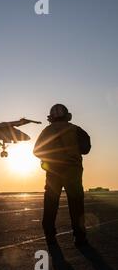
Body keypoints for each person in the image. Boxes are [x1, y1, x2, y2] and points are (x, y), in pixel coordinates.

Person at [33, 104, 91, 247]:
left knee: (51, 204)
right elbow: (86, 149)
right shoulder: (76, 130)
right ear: (67, 116)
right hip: (73, 172)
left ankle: (50, 236)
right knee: (76, 205)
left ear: (51, 118)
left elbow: (36, 151)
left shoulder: (46, 131)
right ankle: (80, 238)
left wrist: (48, 161)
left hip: (53, 173)